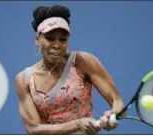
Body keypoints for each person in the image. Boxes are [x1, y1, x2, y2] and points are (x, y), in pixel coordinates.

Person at [15, 5, 124, 135]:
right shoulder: (24, 79)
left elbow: (116, 101)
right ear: (37, 40)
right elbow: (33, 128)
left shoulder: (83, 61)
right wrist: (77, 124)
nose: (57, 45)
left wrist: (112, 115)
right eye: (49, 38)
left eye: (63, 39)